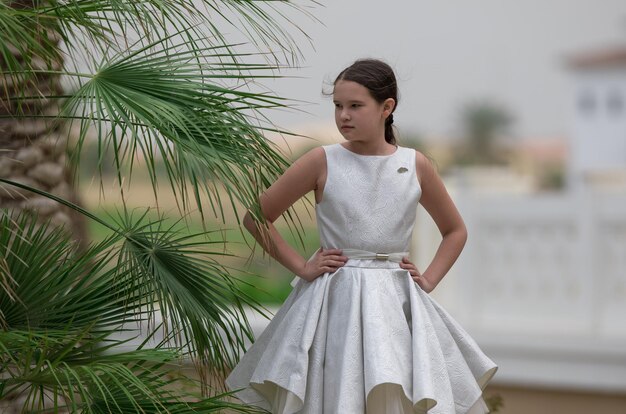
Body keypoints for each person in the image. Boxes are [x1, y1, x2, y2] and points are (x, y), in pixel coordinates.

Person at [226, 58, 497, 414]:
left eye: (355, 106)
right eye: (338, 106)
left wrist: (429, 279)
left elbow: (455, 230)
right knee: (337, 392)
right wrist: (303, 268)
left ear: (387, 108)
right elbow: (257, 217)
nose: (343, 116)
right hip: (335, 299)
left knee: (394, 390)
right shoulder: (321, 161)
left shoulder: (415, 165)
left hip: (396, 301)